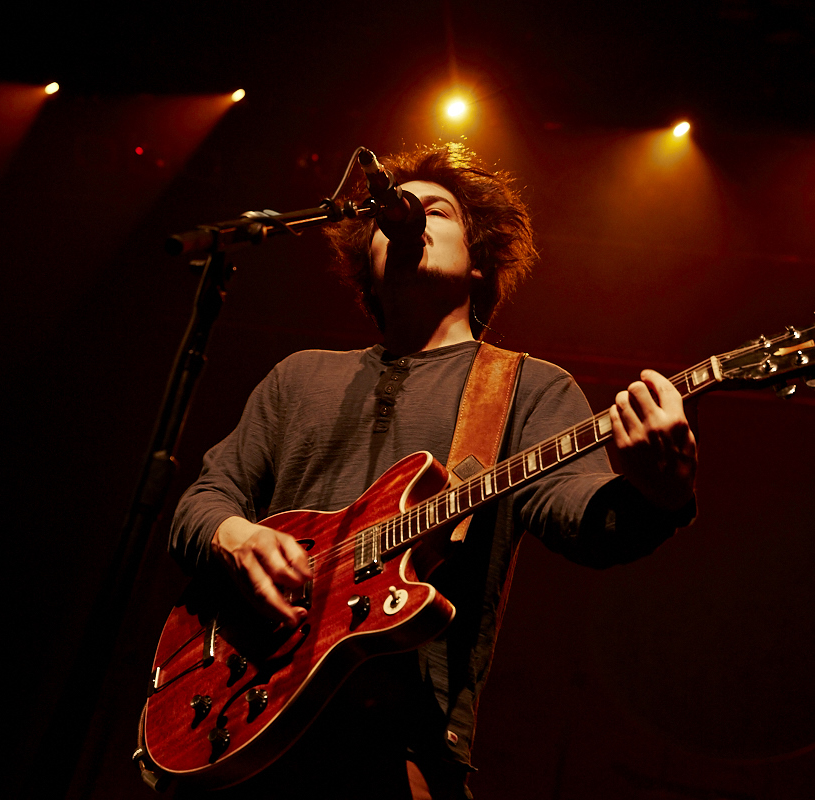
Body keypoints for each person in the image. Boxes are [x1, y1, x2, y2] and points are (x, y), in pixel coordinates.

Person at [167, 143, 698, 799]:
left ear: (480, 264)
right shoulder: (300, 377)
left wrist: (660, 490)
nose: (408, 217)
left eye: (436, 211)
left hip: (399, 744)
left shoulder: (524, 387)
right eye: (395, 213)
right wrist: (240, 538)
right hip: (241, 718)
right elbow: (201, 502)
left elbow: (585, 520)